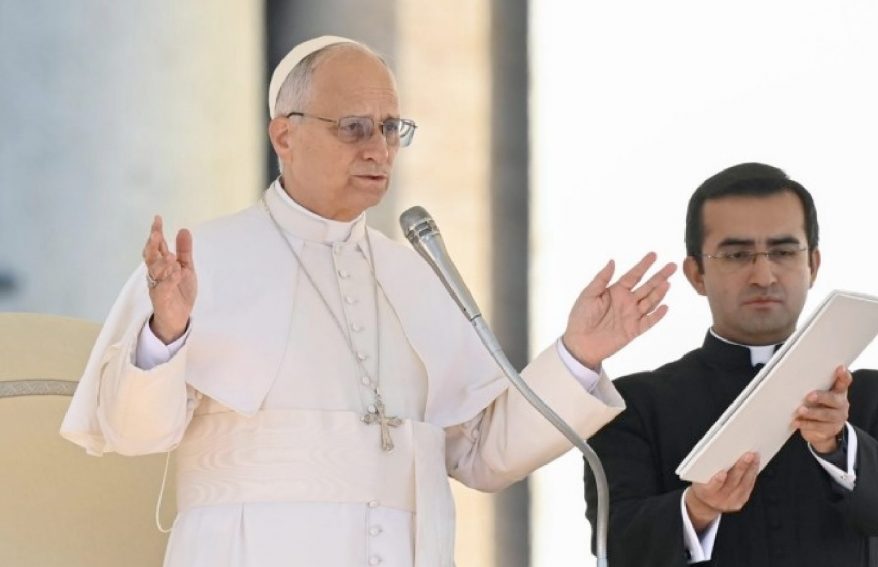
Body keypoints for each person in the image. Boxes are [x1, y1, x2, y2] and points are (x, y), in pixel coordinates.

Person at [61, 36, 677, 567]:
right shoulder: (202, 261)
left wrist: (577, 356)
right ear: (285, 134)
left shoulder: (415, 276)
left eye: (390, 129)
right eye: (354, 127)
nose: (378, 149)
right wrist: (166, 332)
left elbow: (482, 456)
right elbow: (131, 433)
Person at [583, 163, 878, 566]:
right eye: (736, 255)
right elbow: (616, 548)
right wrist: (697, 508)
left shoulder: (873, 394)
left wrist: (838, 443)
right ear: (696, 274)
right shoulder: (632, 405)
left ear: (813, 265)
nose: (764, 276)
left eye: (783, 252)